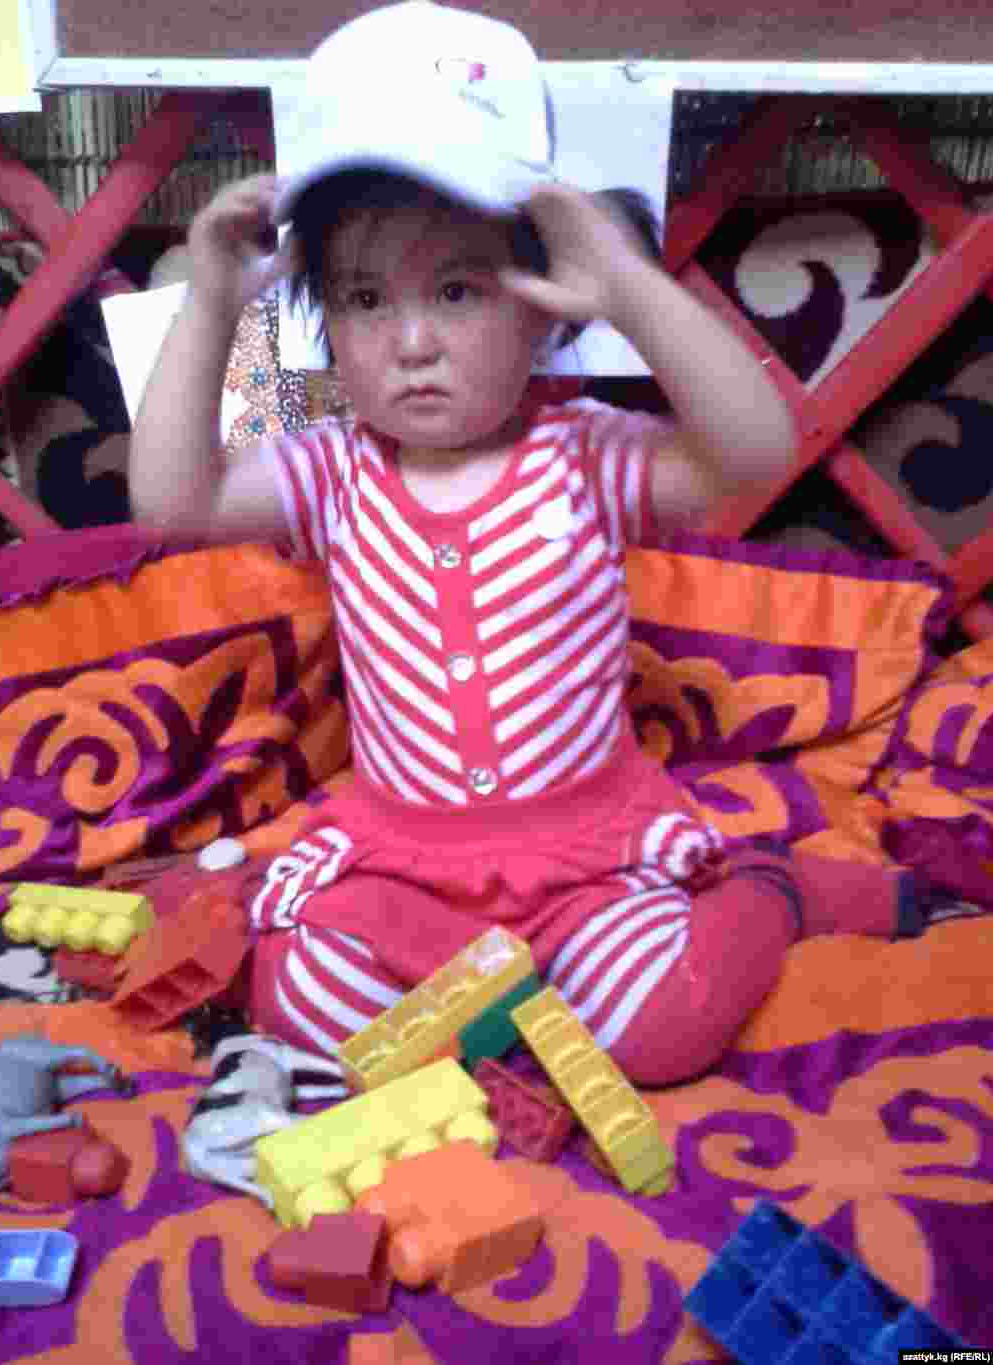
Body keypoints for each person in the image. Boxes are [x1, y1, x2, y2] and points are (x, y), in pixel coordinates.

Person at [129, 2, 923, 1088]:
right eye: (364, 298)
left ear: (546, 307)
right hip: (405, 865)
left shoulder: (584, 456)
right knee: (308, 1004)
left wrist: (629, 287)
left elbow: (755, 453)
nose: (412, 342)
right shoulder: (333, 470)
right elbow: (170, 505)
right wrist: (212, 307)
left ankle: (771, 894)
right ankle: (501, 991)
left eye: (458, 290)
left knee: (660, 1031)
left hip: (585, 859)